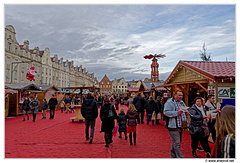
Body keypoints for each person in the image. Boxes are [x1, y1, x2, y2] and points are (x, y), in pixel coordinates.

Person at [163, 90, 189, 158]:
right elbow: (166, 112)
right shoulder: (169, 103)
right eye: (179, 95)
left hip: (181, 125)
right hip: (172, 125)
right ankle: (180, 157)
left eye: (182, 95)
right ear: (175, 95)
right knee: (177, 142)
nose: (181, 97)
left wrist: (186, 112)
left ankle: (173, 156)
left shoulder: (182, 102)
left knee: (177, 142)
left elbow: (185, 109)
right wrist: (176, 113)